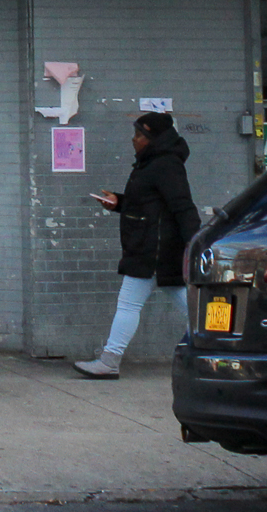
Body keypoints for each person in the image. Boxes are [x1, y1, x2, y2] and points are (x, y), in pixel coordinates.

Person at [75, 111, 201, 379]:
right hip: (153, 248)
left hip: (153, 250)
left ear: (152, 138)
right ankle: (208, 346)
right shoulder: (151, 163)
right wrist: (118, 203)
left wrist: (195, 243)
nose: (134, 140)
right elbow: (148, 204)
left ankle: (110, 361)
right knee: (190, 306)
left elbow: (182, 206)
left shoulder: (165, 164)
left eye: (139, 135)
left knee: (130, 305)